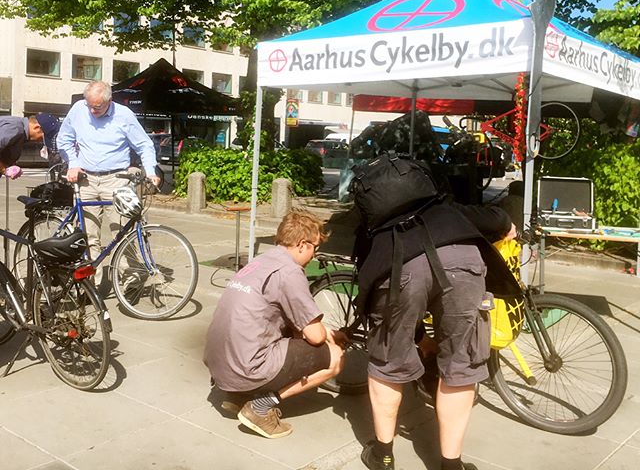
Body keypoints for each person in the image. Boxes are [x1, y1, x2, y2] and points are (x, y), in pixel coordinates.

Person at [353, 199, 518, 470]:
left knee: (388, 360)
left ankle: (383, 456)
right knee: (461, 363)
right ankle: (451, 465)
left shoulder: (375, 217)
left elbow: (366, 273)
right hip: (463, 264)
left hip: (401, 266)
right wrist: (508, 225)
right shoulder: (444, 207)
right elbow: (497, 219)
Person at [204, 209, 347, 439]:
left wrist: (326, 330)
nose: (314, 255)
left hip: (219, 364)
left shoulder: (261, 261)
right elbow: (316, 337)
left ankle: (237, 396)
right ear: (302, 244)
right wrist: (327, 336)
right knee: (336, 357)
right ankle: (259, 408)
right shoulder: (290, 272)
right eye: (315, 247)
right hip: (245, 366)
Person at [57, 80, 160, 259]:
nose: (91, 111)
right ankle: (90, 281)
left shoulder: (124, 115)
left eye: (96, 107)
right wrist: (73, 163)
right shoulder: (78, 109)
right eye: (89, 105)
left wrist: (150, 171)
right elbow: (64, 139)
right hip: (86, 179)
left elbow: (144, 144)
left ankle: (127, 281)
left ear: (109, 101)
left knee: (122, 233)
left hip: (117, 179)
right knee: (88, 236)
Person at [0, 113, 59, 179]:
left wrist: (9, 165)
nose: (41, 141)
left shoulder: (21, 133)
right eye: (43, 137)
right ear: (36, 127)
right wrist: (4, 170)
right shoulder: (15, 129)